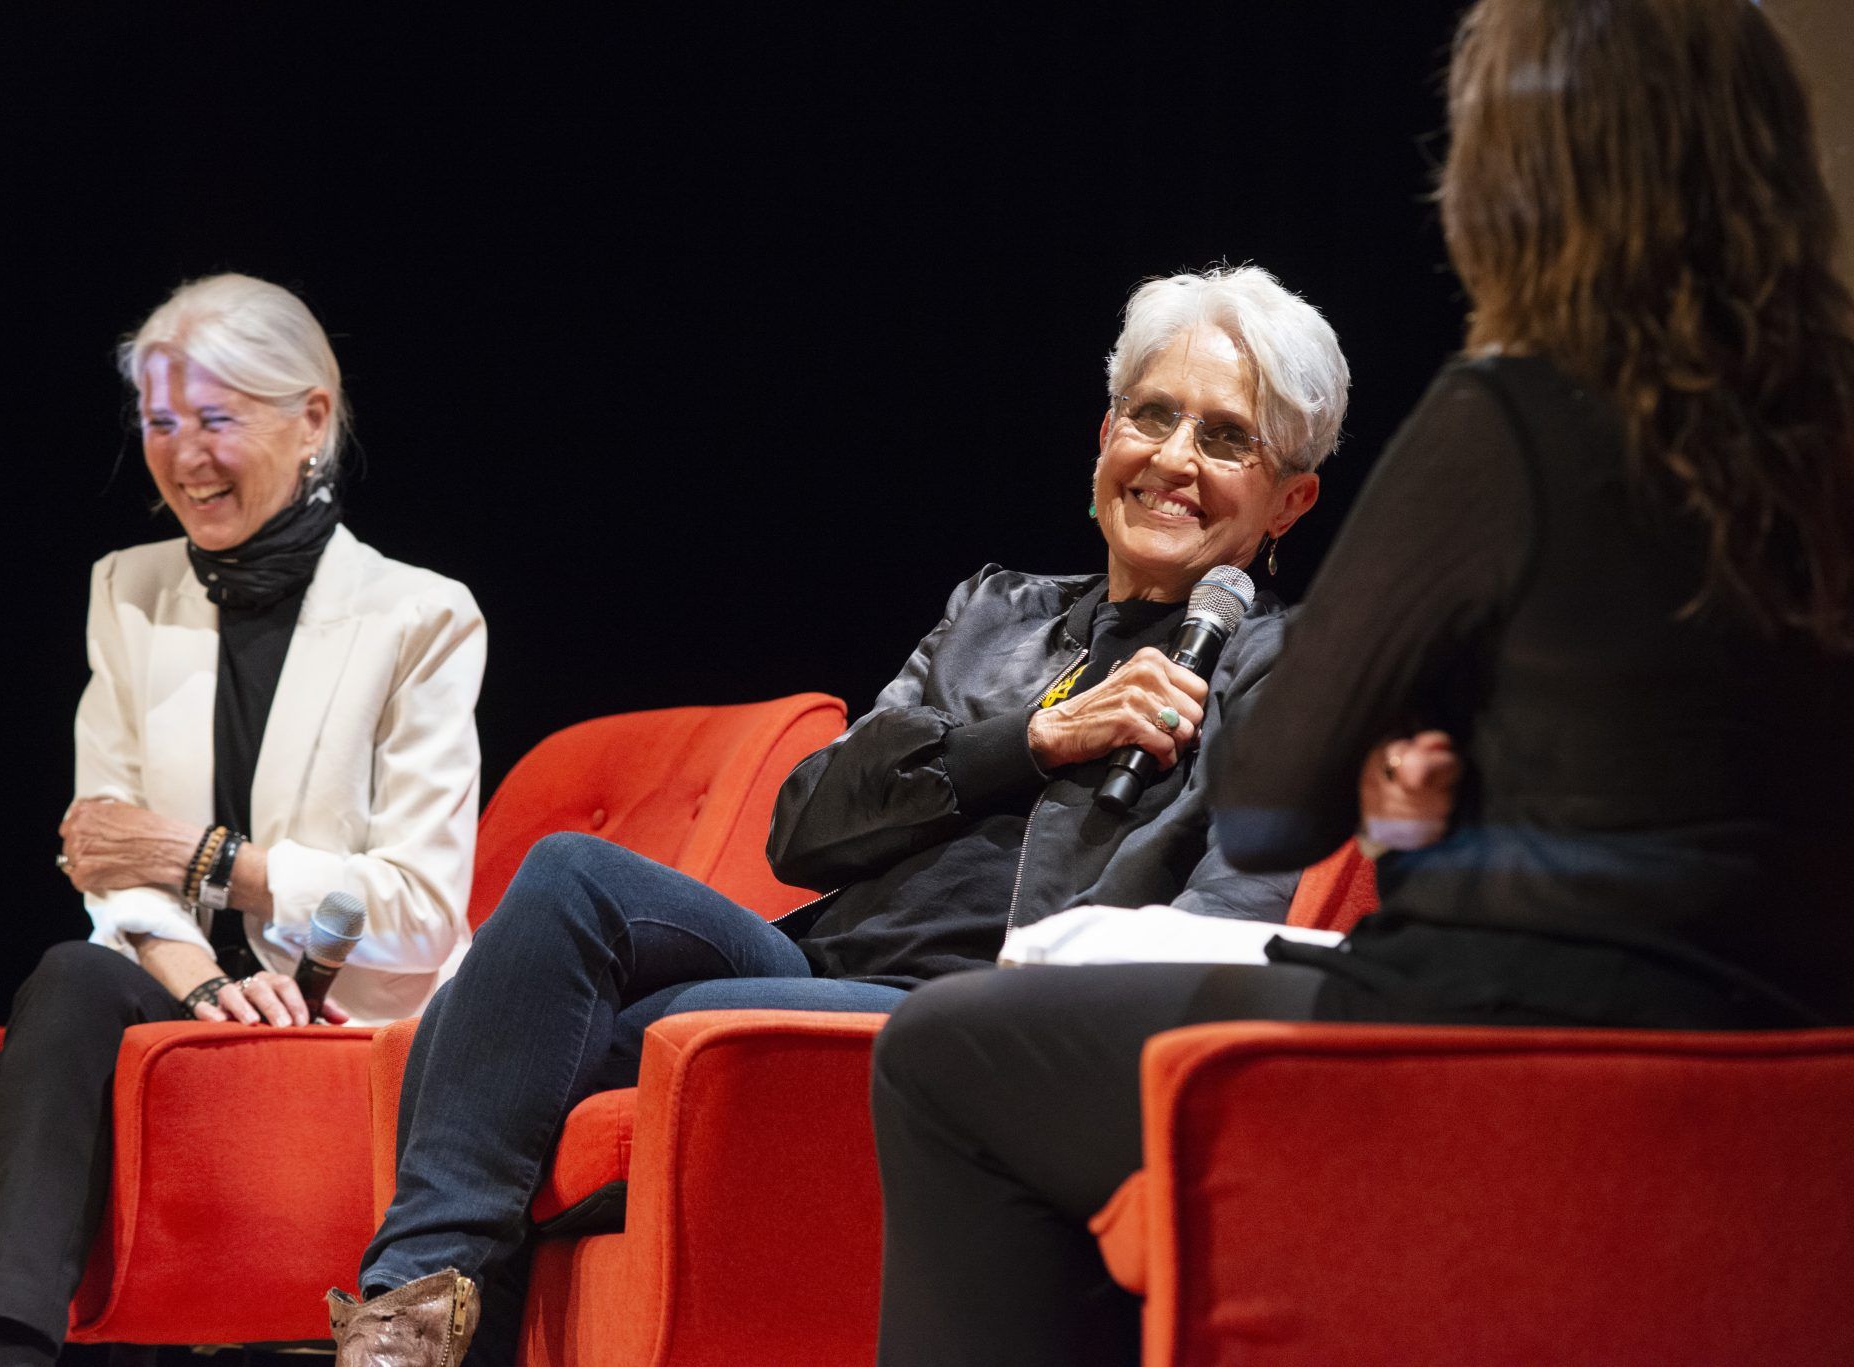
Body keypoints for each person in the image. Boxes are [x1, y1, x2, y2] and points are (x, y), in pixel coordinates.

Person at [869, 1, 1854, 1362]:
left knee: (944, 1050)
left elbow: (1271, 806)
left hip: (1504, 1045)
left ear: (1512, 178)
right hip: (1800, 1061)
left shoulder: (1508, 413)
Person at [327, 264, 1351, 1366]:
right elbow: (805, 824)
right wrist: (1035, 737)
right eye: (1152, 415)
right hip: (818, 964)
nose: (1173, 459)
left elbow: (1220, 932)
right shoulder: (993, 612)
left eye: (1224, 438)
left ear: (1287, 498)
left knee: (518, 1034)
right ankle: (410, 1325)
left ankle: (406, 1331)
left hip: (964, 1014)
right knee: (570, 878)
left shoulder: (1275, 671)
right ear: (1104, 435)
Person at [0, 273, 485, 1367]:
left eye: (218, 419)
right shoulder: (129, 588)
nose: (183, 455)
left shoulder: (422, 615)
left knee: (10, 1071)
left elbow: (412, 910)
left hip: (337, 1019)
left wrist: (209, 859)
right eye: (161, 423)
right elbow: (109, 862)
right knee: (77, 971)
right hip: (172, 990)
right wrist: (207, 985)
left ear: (312, 416)